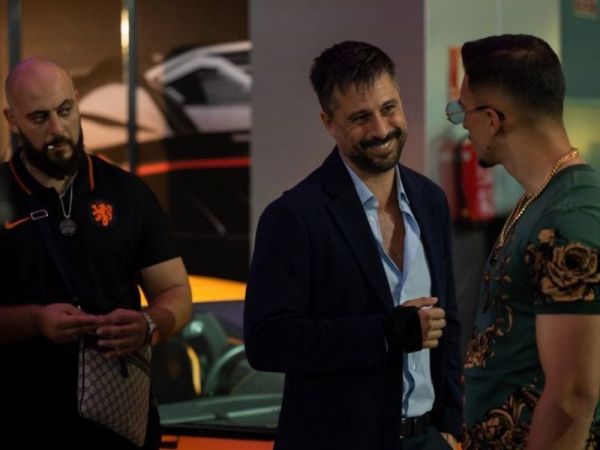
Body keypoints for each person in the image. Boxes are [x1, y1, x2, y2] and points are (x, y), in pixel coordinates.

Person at [244, 41, 463, 450]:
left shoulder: (430, 199)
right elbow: (266, 342)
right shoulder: (294, 215)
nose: (381, 130)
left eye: (389, 108)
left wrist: (451, 424)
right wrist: (384, 333)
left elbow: (449, 321)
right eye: (360, 118)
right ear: (329, 123)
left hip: (428, 439)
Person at [0, 58, 192, 449]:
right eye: (39, 117)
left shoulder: (128, 193)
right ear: (12, 120)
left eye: (65, 110)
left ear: (76, 101)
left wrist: (148, 324)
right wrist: (35, 321)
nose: (57, 129)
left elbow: (176, 292)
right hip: (18, 419)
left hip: (117, 424)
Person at [449, 34, 600, 449]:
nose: (463, 125)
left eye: (463, 111)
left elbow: (573, 395)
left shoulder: (568, 218)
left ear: (493, 119)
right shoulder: (541, 200)